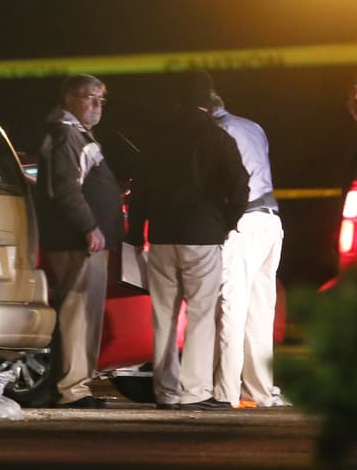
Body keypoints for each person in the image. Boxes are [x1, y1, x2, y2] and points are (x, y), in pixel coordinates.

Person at [125, 71, 248, 410]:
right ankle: (195, 391)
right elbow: (240, 185)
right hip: (203, 236)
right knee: (201, 314)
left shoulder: (156, 138)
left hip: (162, 237)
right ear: (208, 100)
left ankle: (165, 391)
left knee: (163, 315)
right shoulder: (218, 138)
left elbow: (140, 190)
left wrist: (136, 232)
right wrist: (228, 222)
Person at [33, 74, 124, 408]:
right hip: (77, 241)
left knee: (76, 311)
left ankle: (64, 385)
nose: (98, 105)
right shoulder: (66, 134)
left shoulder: (75, 134)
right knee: (78, 312)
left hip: (82, 240)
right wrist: (89, 226)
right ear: (70, 99)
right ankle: (73, 389)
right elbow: (66, 188)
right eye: (90, 97)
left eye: (102, 99)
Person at [207, 89, 284, 408]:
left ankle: (225, 391)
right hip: (271, 221)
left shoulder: (216, 134)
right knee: (260, 312)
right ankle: (260, 390)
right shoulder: (253, 127)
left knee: (231, 309)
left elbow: (222, 183)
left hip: (242, 223)